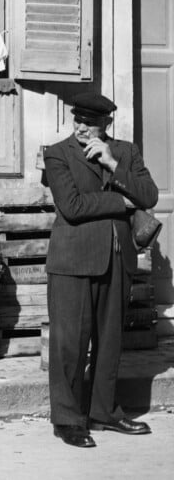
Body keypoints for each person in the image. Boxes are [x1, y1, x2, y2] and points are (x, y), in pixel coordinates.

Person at [43, 92, 158, 448]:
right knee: (70, 345)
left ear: (106, 124)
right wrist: (122, 200)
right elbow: (72, 206)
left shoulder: (125, 152)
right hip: (73, 261)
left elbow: (150, 196)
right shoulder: (58, 153)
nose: (81, 127)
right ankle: (68, 418)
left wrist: (112, 165)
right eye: (77, 120)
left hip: (117, 259)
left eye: (89, 123)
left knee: (110, 343)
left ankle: (104, 411)